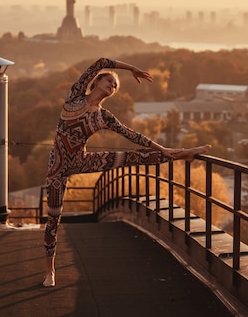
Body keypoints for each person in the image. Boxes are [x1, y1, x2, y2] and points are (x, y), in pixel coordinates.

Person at [42, 57, 211, 287]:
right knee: (53, 218)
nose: (113, 85)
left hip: (82, 161)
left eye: (115, 86)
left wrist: (162, 148)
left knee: (132, 157)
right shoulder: (75, 96)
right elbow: (100, 61)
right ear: (97, 81)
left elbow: (133, 135)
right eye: (109, 81)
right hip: (57, 166)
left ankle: (183, 153)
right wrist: (131, 68)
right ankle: (50, 271)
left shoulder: (104, 117)